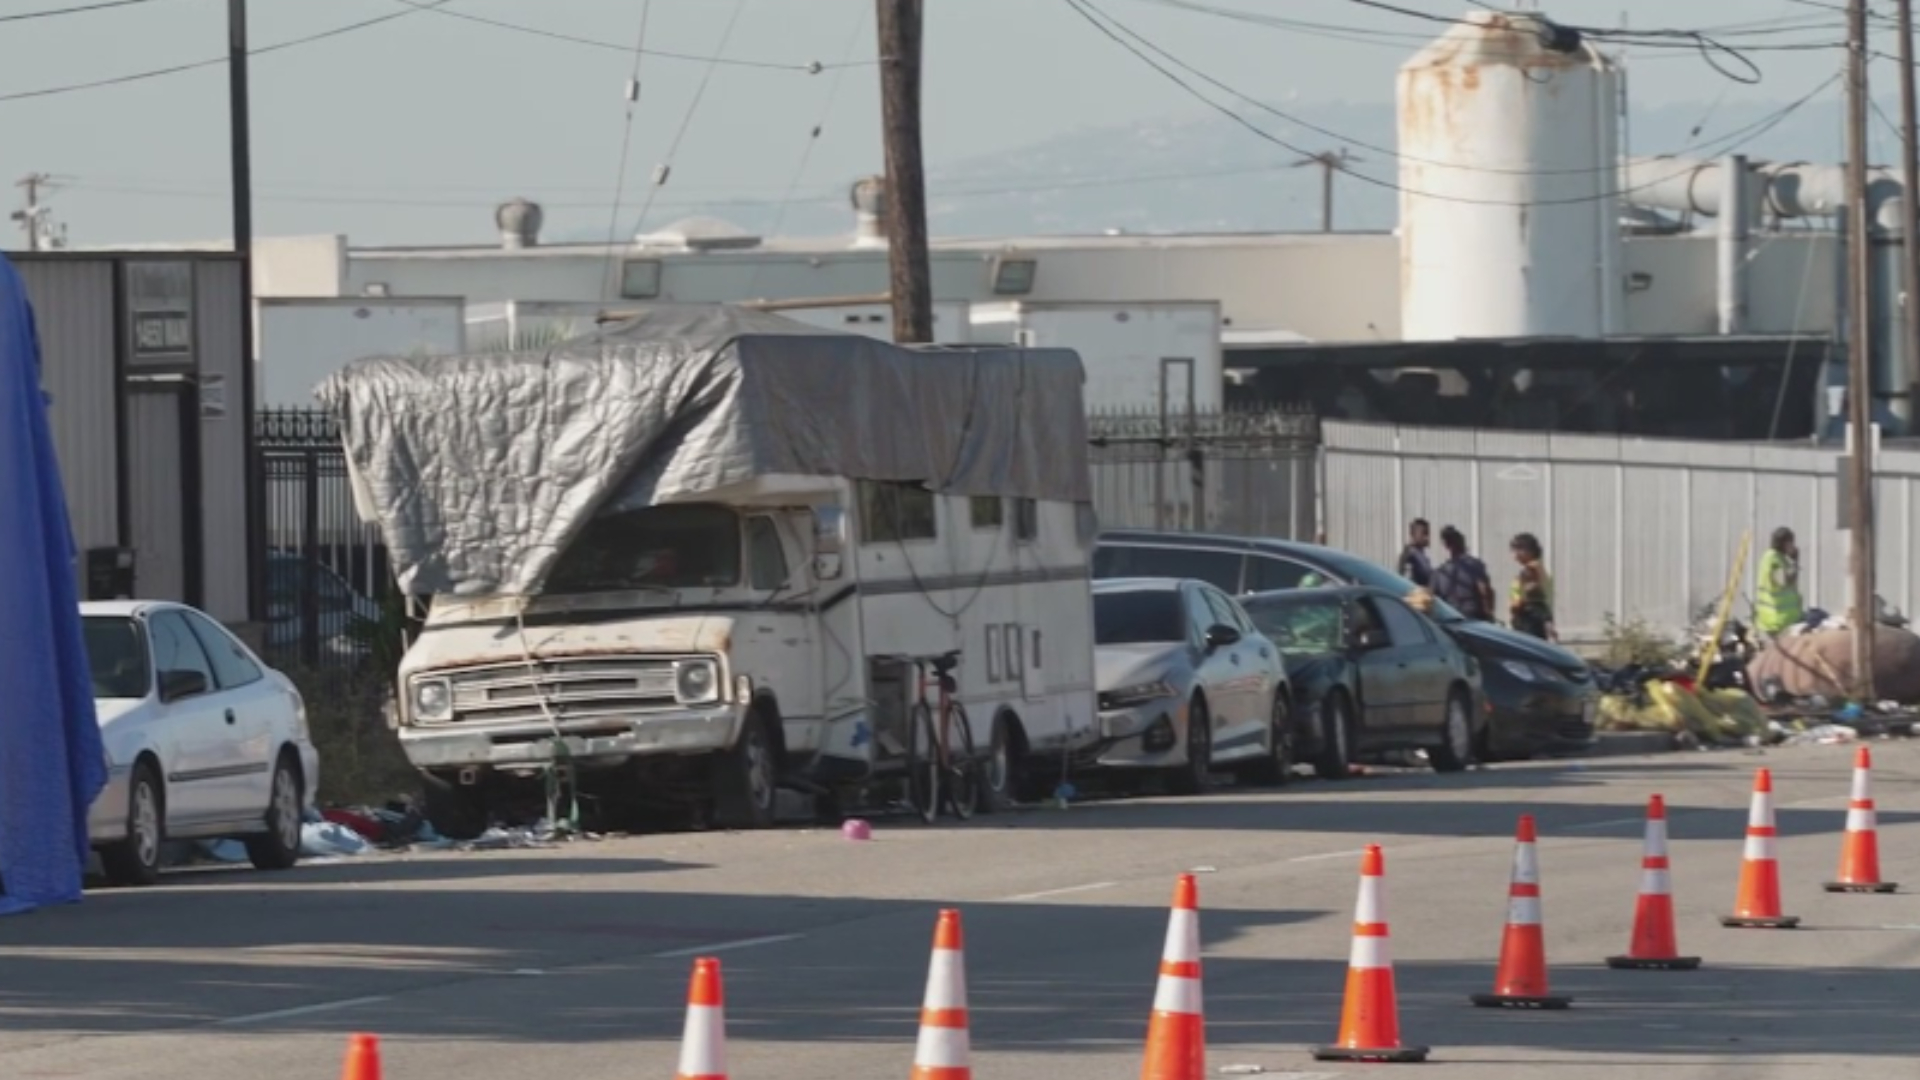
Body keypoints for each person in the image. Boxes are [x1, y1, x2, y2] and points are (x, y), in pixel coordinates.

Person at [1432, 525, 1495, 621]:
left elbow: (1432, 596)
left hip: (1450, 618)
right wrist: (1489, 614)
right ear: (1463, 545)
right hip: (1472, 617)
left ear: (1447, 547)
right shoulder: (1475, 565)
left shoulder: (1440, 572)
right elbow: (1484, 591)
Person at [1754, 526, 1803, 639]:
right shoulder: (1774, 559)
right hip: (1778, 621)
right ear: (1784, 543)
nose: (1793, 546)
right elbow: (1784, 580)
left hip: (1776, 620)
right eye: (1791, 543)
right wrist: (1795, 562)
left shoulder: (1774, 557)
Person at [1508, 532, 1556, 641]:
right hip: (1538, 616)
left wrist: (1515, 608)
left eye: (1516, 550)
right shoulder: (1539, 568)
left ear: (1527, 551)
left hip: (1529, 619)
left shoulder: (1530, 571)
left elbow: (1529, 595)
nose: (1514, 555)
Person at [1397, 518, 1433, 589]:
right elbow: (1406, 581)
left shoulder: (1421, 554)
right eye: (1424, 533)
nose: (1426, 537)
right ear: (1413, 534)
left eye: (1427, 534)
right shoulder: (1410, 555)